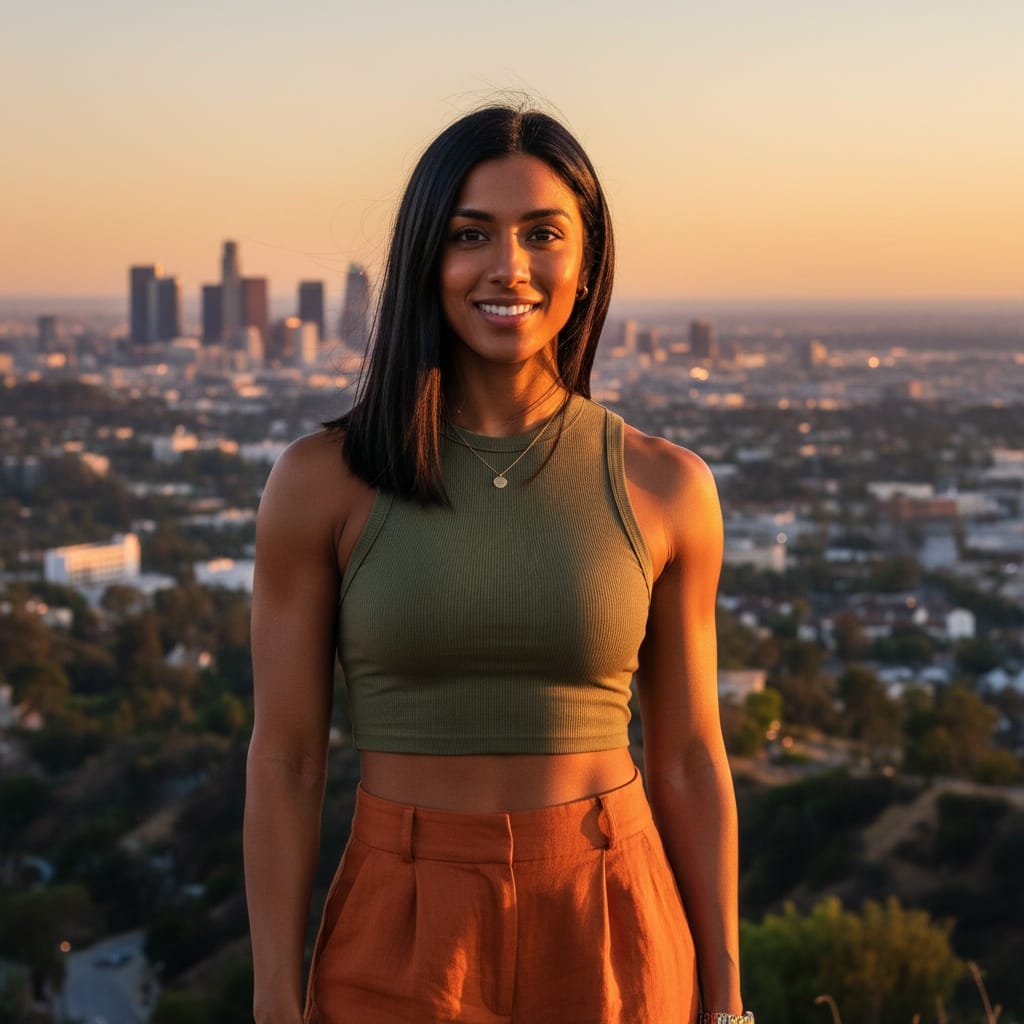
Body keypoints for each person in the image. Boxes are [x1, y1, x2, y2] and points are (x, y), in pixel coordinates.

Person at [244, 104, 750, 1024]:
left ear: (586, 260)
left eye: (542, 234)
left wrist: (727, 1000)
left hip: (612, 912)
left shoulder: (667, 488)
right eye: (470, 234)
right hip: (399, 919)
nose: (507, 268)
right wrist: (276, 996)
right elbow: (284, 759)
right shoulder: (321, 485)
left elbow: (686, 758)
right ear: (425, 261)